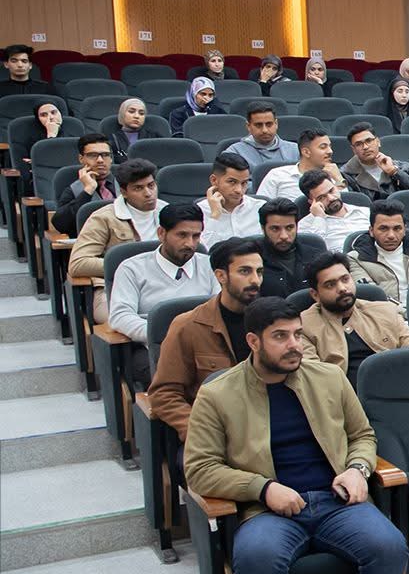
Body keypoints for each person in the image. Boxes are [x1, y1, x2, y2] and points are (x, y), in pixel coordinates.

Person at [183, 296, 409, 574]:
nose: (294, 345)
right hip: (268, 509)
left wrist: (357, 469)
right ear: (253, 341)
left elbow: (362, 435)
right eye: (280, 337)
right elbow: (199, 470)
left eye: (298, 335)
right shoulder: (217, 394)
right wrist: (262, 488)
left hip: (335, 499)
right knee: (256, 558)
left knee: (390, 547)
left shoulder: (328, 377)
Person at [148, 237, 264, 441]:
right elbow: (164, 394)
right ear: (221, 276)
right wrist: (199, 431)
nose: (255, 280)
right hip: (217, 431)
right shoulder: (188, 326)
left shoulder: (273, 322)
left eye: (259, 272)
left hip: (268, 424)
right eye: (245, 271)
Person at [107, 202, 214, 385]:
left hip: (205, 347)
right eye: (182, 235)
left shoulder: (210, 266)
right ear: (161, 233)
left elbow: (220, 308)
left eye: (196, 236)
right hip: (153, 347)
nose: (190, 243)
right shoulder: (131, 269)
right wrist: (164, 336)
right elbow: (120, 316)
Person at [298, 251, 409, 383]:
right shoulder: (303, 327)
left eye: (345, 279)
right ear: (315, 295)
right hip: (343, 393)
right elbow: (313, 377)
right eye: (330, 285)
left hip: (399, 386)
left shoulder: (385, 311)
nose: (342, 288)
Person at [71, 159, 160, 316]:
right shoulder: (104, 218)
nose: (148, 193)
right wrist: (132, 267)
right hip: (116, 287)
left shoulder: (167, 212)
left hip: (164, 283)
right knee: (119, 319)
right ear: (123, 192)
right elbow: (78, 263)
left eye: (151, 185)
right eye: (138, 188)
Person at [346, 201, 409, 303]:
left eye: (397, 229)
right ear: (371, 231)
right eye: (383, 229)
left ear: (404, 230)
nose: (391, 235)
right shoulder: (355, 259)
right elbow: (372, 299)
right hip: (385, 313)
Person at [256, 199, 325, 300]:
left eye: (289, 228)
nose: (284, 236)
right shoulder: (253, 263)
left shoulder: (317, 257)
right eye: (275, 229)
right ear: (263, 229)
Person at [50, 135, 117, 236]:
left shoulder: (127, 182)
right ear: (81, 159)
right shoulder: (73, 190)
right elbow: (60, 225)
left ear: (111, 158)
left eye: (105, 155)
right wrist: (88, 191)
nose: (100, 160)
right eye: (93, 155)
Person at [340, 123, 409, 201]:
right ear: (353, 150)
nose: (365, 147)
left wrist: (394, 172)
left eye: (369, 141)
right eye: (358, 144)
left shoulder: (400, 166)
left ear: (378, 142)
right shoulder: (345, 175)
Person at [258, 128, 341, 202]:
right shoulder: (277, 175)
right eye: (323, 147)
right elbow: (261, 206)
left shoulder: (333, 176)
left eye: (330, 146)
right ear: (306, 152)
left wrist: (339, 179)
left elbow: (345, 207)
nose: (330, 151)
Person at [297, 169, 369, 249]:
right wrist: (319, 218)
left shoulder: (365, 212)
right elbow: (314, 250)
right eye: (321, 197)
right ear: (312, 202)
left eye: (331, 191)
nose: (331, 198)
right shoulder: (304, 226)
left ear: (336, 187)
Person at [224, 103, 298, 173]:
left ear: (276, 124)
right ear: (248, 126)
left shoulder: (295, 150)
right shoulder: (235, 152)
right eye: (258, 125)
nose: (264, 130)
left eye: (269, 124)